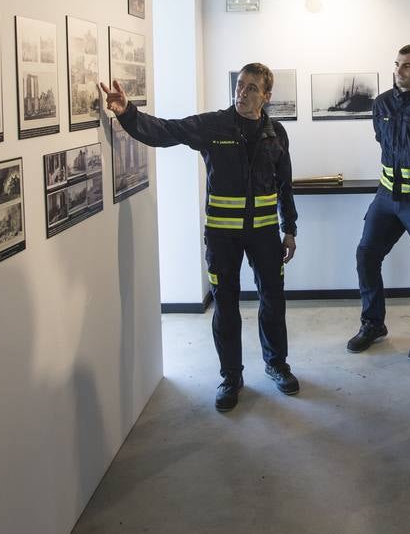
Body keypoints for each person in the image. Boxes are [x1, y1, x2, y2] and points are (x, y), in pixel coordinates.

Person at [99, 65, 299, 413]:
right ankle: (231, 376)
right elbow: (165, 131)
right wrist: (127, 113)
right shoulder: (214, 125)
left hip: (265, 234)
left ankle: (277, 365)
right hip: (222, 236)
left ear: (266, 96)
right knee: (225, 304)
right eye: (239, 86)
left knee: (273, 300)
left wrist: (290, 229)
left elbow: (285, 185)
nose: (242, 93)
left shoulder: (276, 133)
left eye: (252, 88)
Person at [347, 44, 410, 361]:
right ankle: (373, 324)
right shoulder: (381, 104)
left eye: (408, 66)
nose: (400, 70)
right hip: (386, 198)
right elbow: (383, 140)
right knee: (366, 255)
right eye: (397, 64)